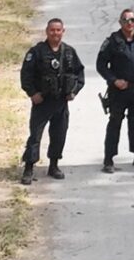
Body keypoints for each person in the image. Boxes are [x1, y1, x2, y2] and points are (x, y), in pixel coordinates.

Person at [18, 18, 84, 184]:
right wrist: (32, 93)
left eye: (58, 30)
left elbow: (79, 74)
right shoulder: (37, 52)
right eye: (52, 30)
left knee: (59, 134)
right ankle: (29, 168)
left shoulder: (69, 52)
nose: (55, 33)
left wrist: (74, 92)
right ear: (47, 31)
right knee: (35, 136)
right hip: (42, 102)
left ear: (63, 31)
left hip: (61, 102)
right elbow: (26, 75)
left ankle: (54, 165)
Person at [95, 8, 134, 172]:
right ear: (120, 22)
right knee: (115, 123)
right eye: (126, 20)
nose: (129, 23)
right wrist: (114, 80)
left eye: (132, 20)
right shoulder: (112, 41)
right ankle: (108, 160)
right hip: (118, 91)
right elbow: (101, 65)